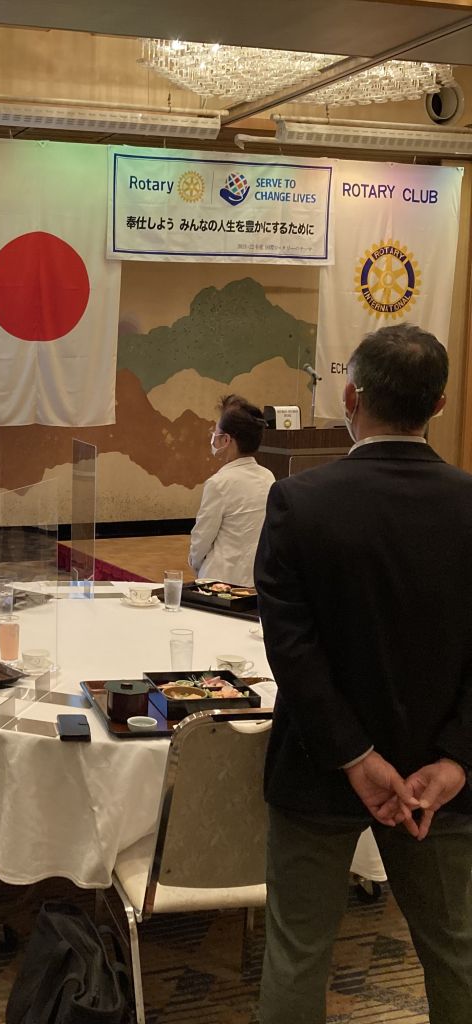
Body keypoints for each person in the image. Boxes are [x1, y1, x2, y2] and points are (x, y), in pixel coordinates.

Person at [254, 323, 472, 1023]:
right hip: (441, 782)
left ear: (350, 398)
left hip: (319, 768)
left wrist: (354, 755)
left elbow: (291, 650)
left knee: (296, 958)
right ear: (438, 405)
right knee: (457, 955)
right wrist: (457, 759)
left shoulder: (299, 501)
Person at [188, 394, 274, 587]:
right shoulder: (268, 477)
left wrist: (196, 564)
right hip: (255, 579)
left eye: (216, 433)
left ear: (226, 440)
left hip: (220, 579)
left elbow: (202, 538)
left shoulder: (219, 484)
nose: (213, 438)